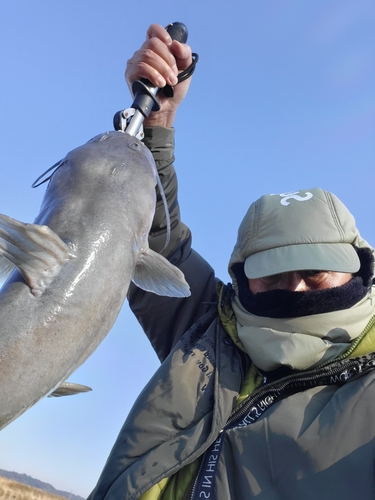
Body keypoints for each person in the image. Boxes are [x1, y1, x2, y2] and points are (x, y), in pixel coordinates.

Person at [88, 24, 375, 500]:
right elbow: (153, 243)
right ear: (242, 278)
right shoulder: (209, 329)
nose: (297, 288)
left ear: (361, 268)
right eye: (273, 273)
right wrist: (156, 122)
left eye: (316, 270)